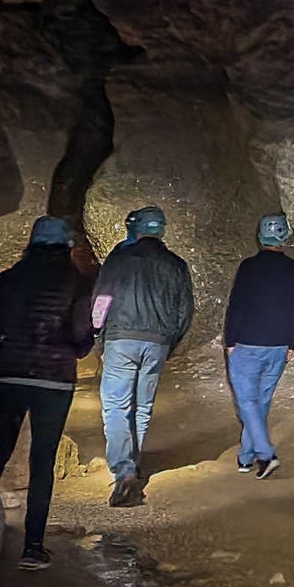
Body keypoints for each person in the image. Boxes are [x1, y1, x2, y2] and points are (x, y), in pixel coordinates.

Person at [0, 216, 94, 571]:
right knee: (42, 461)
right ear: (66, 247)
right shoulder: (76, 282)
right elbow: (79, 336)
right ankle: (33, 547)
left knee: (1, 447)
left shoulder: (8, 279)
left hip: (9, 375)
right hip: (53, 380)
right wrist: (87, 341)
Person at [92, 205, 194, 506]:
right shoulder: (176, 265)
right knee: (143, 405)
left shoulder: (119, 260)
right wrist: (168, 342)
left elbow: (100, 300)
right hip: (157, 342)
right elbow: (184, 310)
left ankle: (124, 470)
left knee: (116, 405)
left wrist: (98, 333)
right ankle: (132, 463)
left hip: (121, 338)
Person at [223, 213, 294, 480]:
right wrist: (290, 342)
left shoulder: (249, 267)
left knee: (247, 401)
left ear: (260, 236)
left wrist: (230, 340)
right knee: (260, 402)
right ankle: (245, 458)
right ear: (285, 237)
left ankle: (265, 454)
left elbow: (236, 305)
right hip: (279, 346)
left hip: (248, 343)